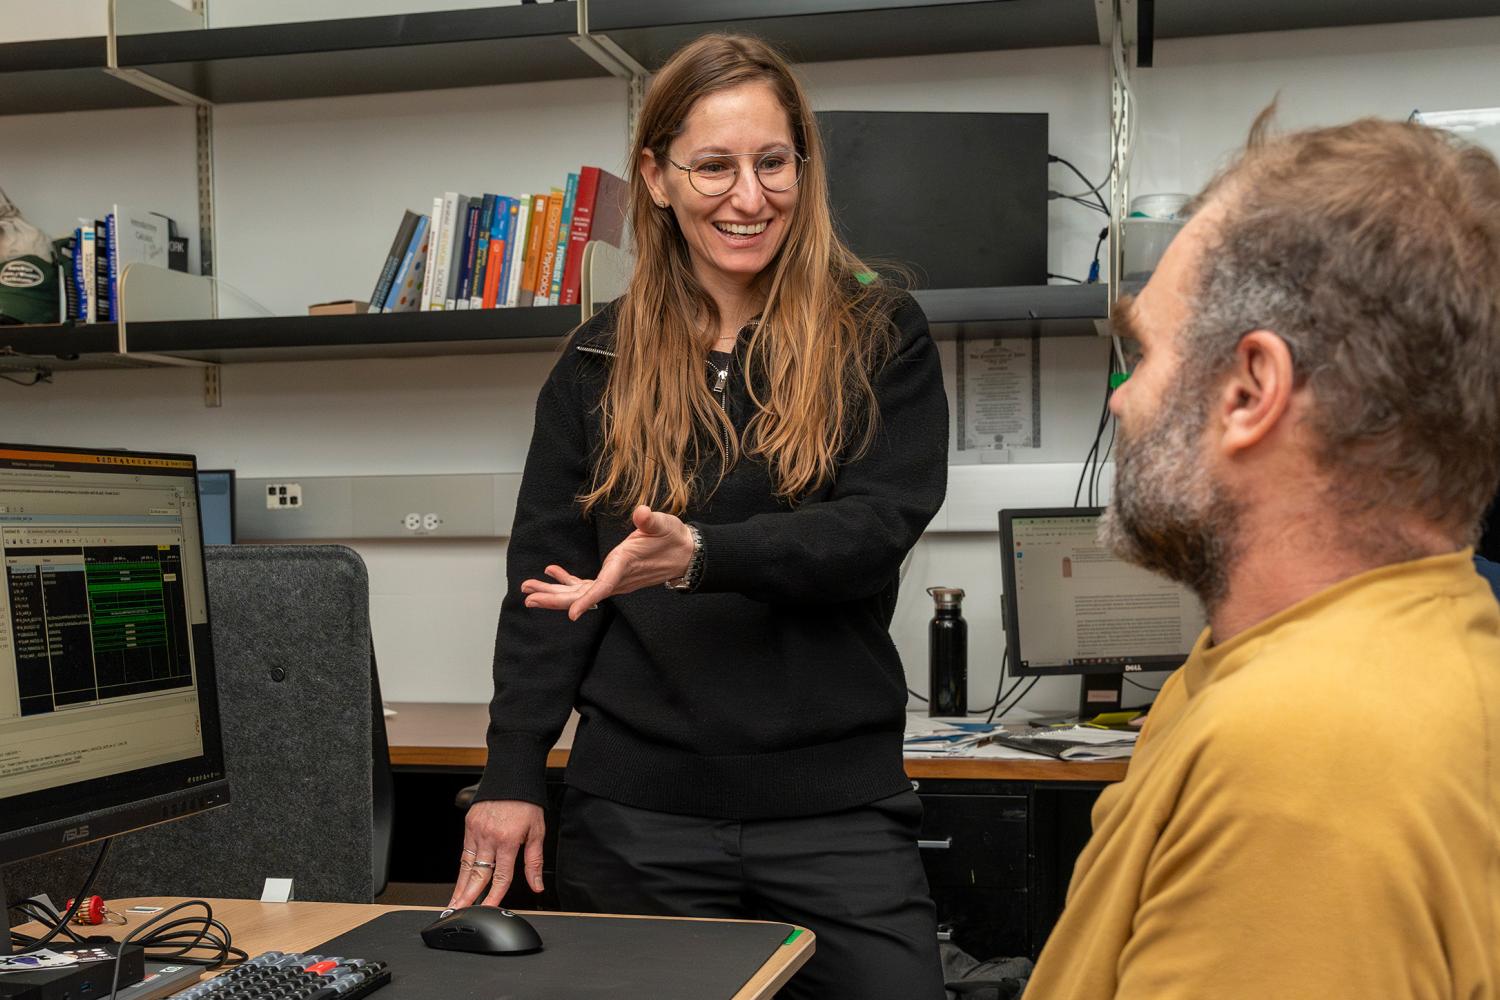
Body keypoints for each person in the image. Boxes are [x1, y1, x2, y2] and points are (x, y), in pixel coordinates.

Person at [448, 33, 949, 1000]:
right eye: (713, 166)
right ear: (659, 176)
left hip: (835, 813)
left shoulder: (880, 333)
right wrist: (510, 773)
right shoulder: (596, 362)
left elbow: (874, 530)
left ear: (804, 164)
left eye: (773, 163)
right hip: (637, 821)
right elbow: (545, 588)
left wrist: (700, 555)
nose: (748, 197)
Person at [1026, 111, 1500, 997]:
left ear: (1250, 390)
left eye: (1144, 352)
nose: (1122, 403)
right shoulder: (1364, 653)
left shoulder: (1308, 757)